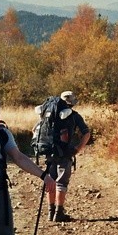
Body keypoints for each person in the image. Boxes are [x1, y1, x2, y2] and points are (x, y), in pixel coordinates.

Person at [35, 90, 91, 222]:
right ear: (73, 103)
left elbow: (34, 130)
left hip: (49, 152)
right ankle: (59, 213)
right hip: (65, 153)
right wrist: (77, 148)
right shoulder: (75, 116)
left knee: (50, 180)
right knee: (61, 183)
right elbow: (86, 133)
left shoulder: (49, 114)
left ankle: (50, 212)